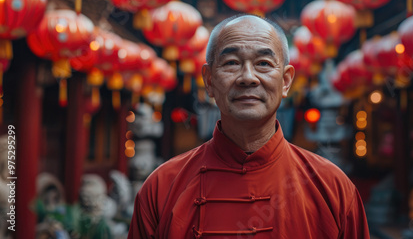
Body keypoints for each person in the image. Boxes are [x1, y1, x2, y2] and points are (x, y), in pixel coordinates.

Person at [128, 15, 370, 238]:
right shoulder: (162, 187)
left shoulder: (332, 187)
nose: (248, 77)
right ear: (209, 81)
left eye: (263, 63)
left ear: (286, 81)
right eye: (231, 62)